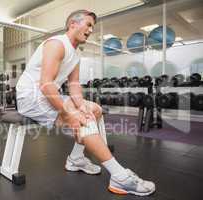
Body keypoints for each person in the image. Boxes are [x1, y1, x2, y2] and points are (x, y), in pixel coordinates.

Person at [16, 9, 155, 196]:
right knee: (82, 119)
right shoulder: (57, 44)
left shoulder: (76, 54)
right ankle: (120, 176)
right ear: (73, 24)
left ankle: (75, 159)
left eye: (92, 27)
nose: (91, 30)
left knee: (94, 110)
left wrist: (81, 106)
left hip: (48, 94)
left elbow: (73, 85)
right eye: (88, 25)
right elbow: (46, 85)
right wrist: (69, 114)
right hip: (30, 97)